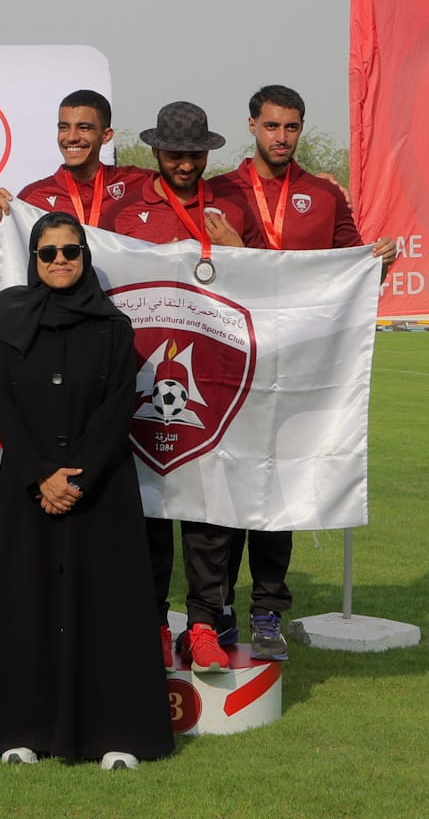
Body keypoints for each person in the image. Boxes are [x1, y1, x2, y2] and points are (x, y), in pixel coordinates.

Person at [0, 211, 174, 770]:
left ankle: (117, 735)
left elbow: (116, 408)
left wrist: (75, 474)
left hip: (100, 488)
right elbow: (4, 407)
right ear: (34, 261)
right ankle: (19, 729)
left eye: (70, 252)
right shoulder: (10, 328)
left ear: (85, 258)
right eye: (48, 253)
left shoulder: (114, 328)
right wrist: (41, 474)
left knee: (106, 607)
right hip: (28, 489)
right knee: (25, 604)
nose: (60, 261)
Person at [203, 84, 399, 661]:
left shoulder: (324, 195)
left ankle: (267, 613)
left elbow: (351, 274)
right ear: (251, 126)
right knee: (223, 488)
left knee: (275, 489)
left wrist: (377, 267)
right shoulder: (219, 192)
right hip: (230, 364)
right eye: (271, 126)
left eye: (291, 128)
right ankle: (215, 611)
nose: (281, 138)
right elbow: (199, 272)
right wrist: (236, 251)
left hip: (298, 369)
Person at [99, 100, 261, 675]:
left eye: (194, 154)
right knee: (145, 510)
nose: (185, 164)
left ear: (207, 153)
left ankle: (202, 624)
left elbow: (267, 291)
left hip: (210, 384)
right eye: (174, 153)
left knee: (208, 510)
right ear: (156, 152)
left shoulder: (230, 209)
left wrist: (242, 256)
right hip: (139, 378)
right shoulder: (123, 211)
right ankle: (148, 623)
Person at [0, 90, 145, 291]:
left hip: (118, 316)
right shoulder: (32, 199)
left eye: (84, 128)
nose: (72, 137)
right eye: (64, 128)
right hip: (58, 319)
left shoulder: (140, 184)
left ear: (106, 135)